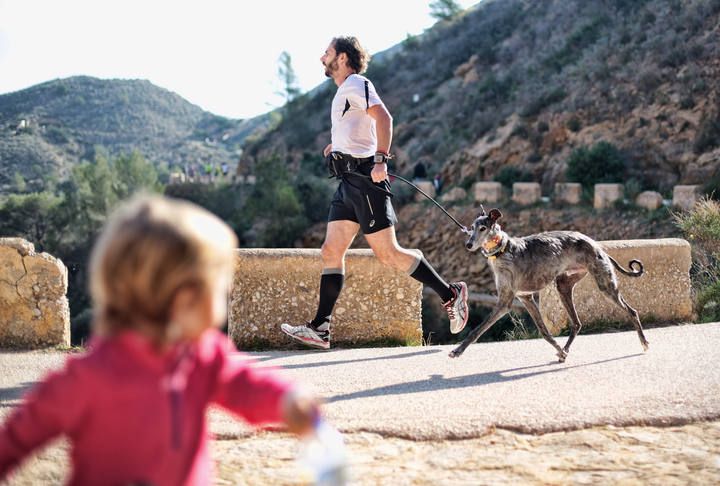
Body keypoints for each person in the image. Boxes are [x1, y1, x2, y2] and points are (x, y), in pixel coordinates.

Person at [0, 195, 320, 485]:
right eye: (220, 288)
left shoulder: (203, 356)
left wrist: (286, 401)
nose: (227, 296)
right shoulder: (92, 376)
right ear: (184, 300)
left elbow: (245, 386)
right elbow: (20, 435)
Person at [281, 36, 468, 350]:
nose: (321, 57)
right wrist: (336, 147)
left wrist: (381, 158)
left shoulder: (356, 83)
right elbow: (358, 131)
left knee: (388, 253)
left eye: (327, 52)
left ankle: (451, 294)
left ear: (342, 57)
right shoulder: (344, 92)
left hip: (367, 181)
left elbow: (384, 117)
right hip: (347, 185)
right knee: (331, 250)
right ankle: (321, 328)